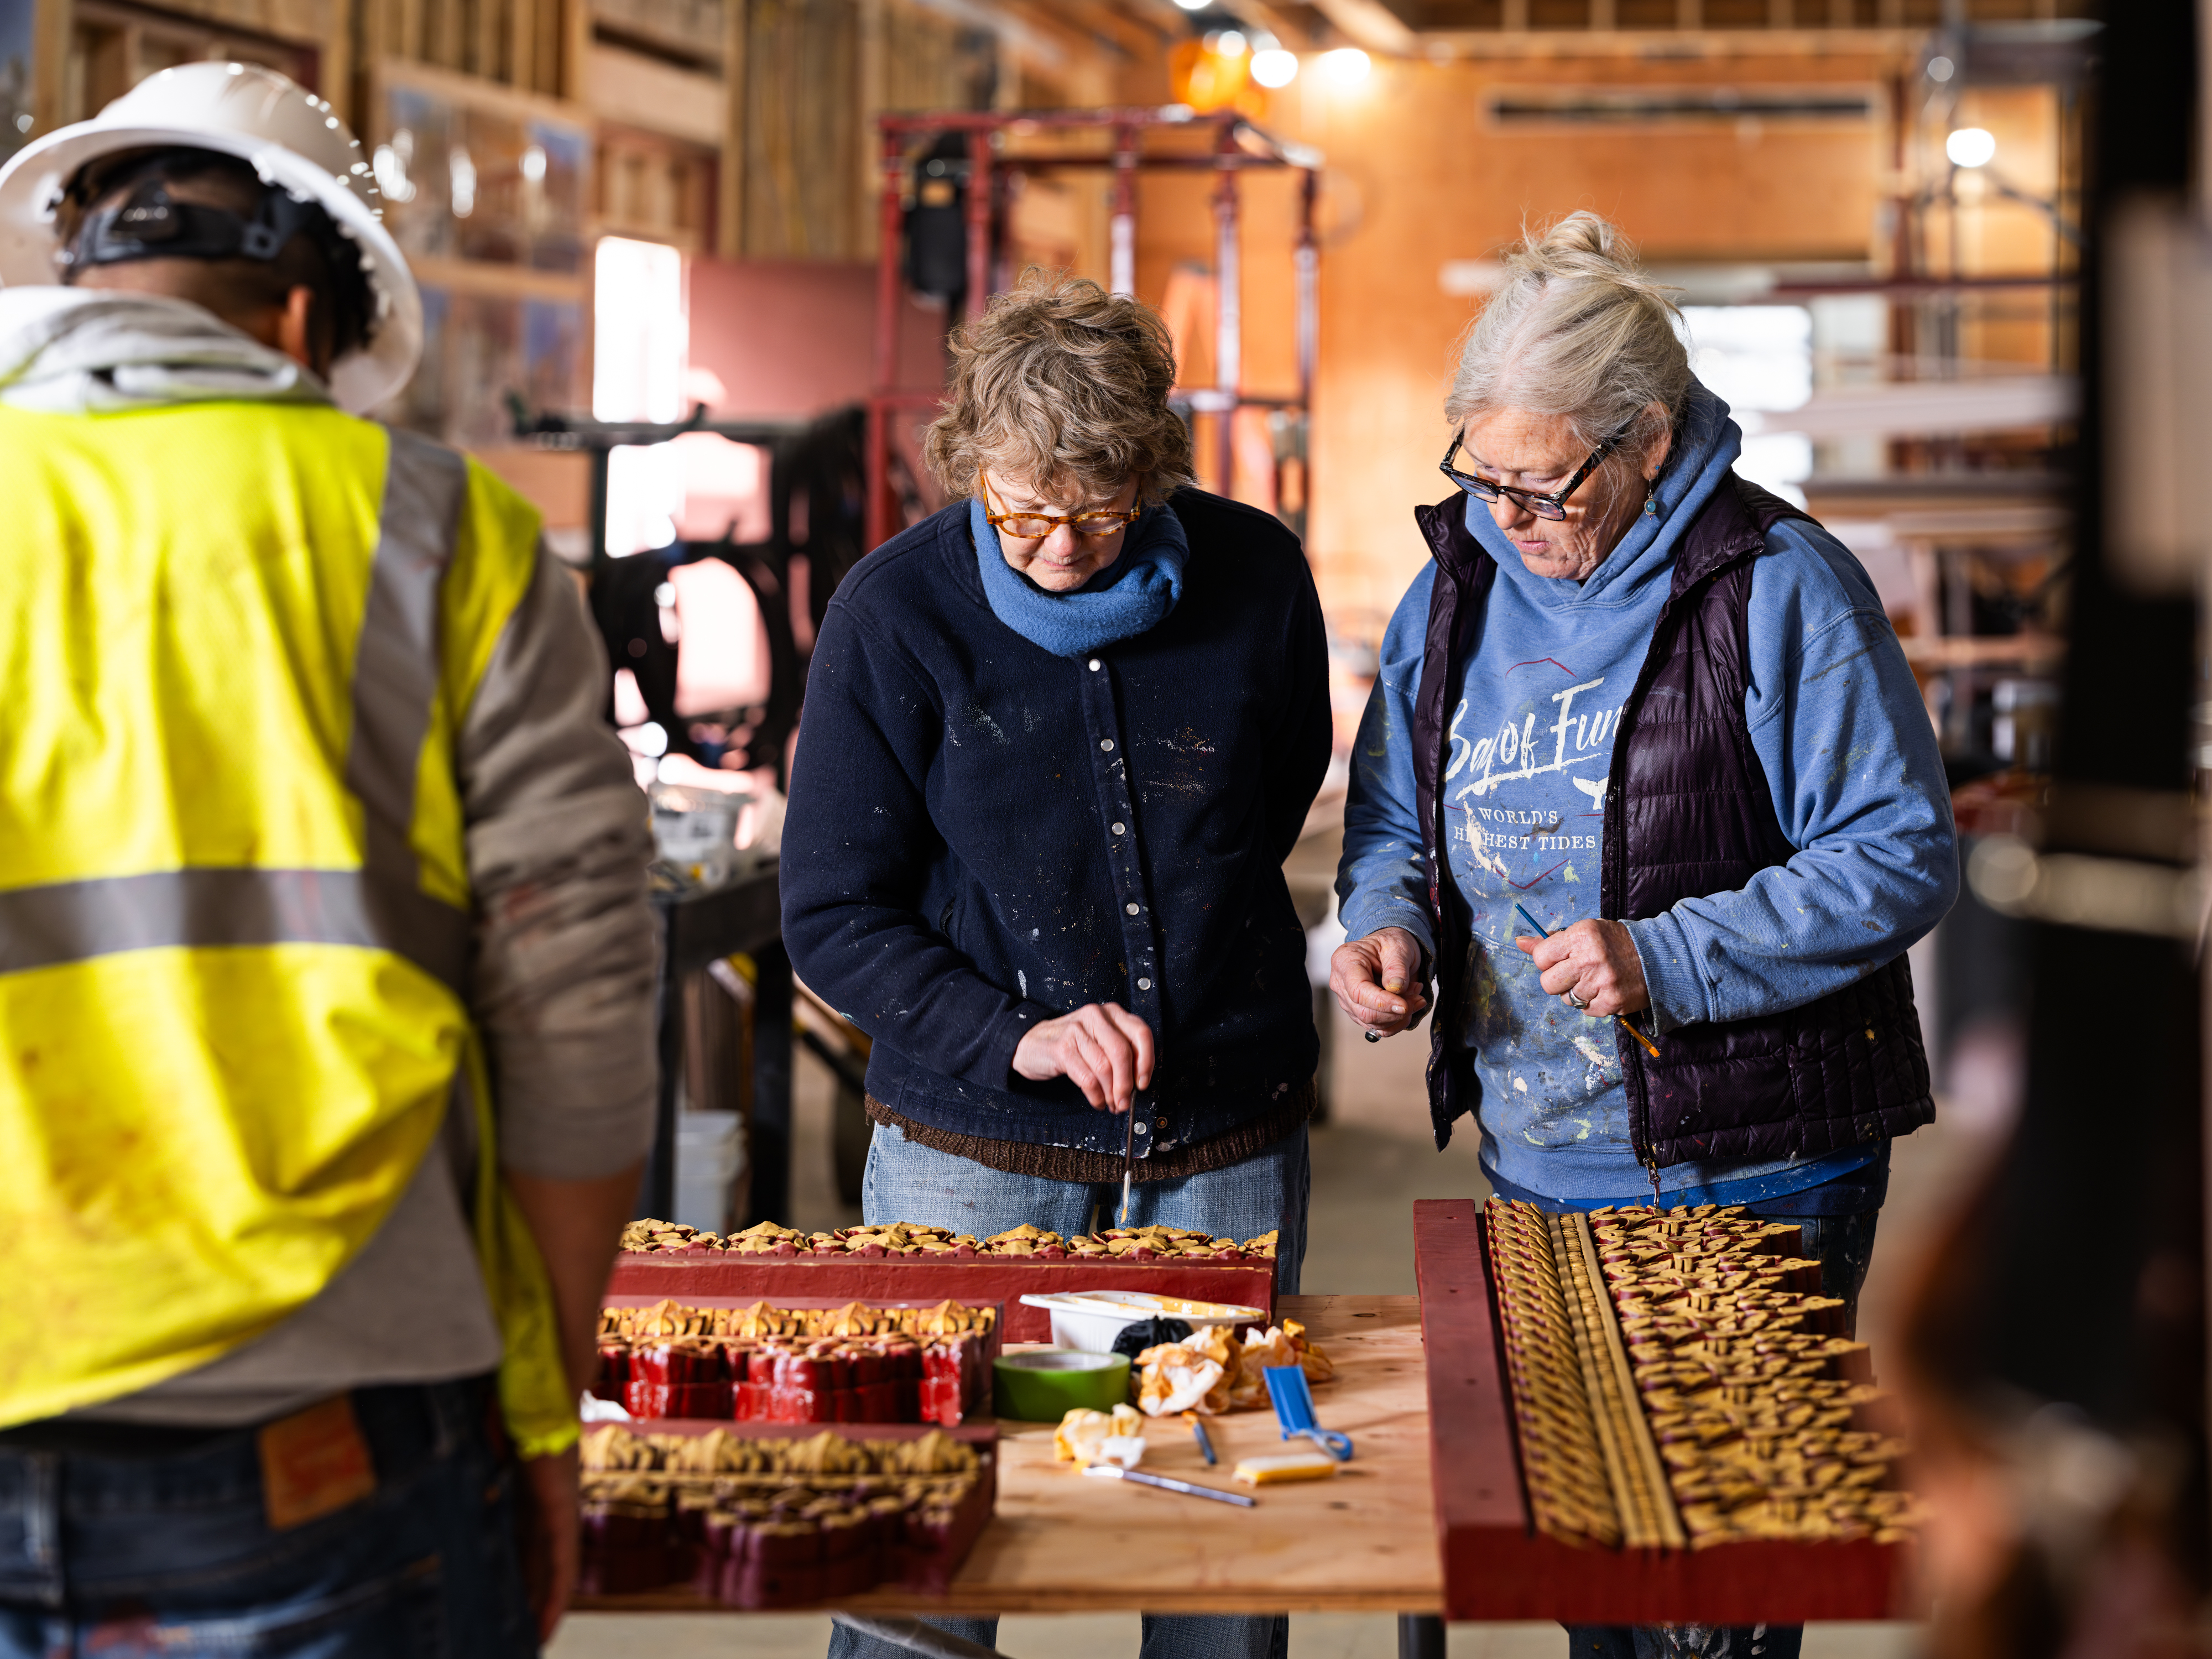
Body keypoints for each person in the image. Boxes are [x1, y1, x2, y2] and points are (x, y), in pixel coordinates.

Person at [0, 65, 656, 1654]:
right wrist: (550, 1416)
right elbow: (580, 1030)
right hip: (331, 1412)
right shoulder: (442, 531)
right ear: (306, 325)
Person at [1332, 213, 1957, 1659]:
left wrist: (1664, 956)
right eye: (1479, 477)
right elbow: (1390, 816)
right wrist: (1386, 921)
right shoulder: (1457, 590)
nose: (1507, 518)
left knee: (1708, 1608)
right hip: (1539, 1163)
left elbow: (1900, 854)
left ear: (1652, 443)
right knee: (1594, 1585)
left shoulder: (1779, 587)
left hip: (1749, 1175)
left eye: (1541, 486)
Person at [782, 270, 1330, 1659]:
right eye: (1020, 513)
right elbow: (832, 913)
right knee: (930, 1541)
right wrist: (1012, 1030)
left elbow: (1269, 803)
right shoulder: (892, 612)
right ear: (971, 466)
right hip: (969, 1158)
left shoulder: (1256, 574)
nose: (1057, 554)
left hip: (1222, 1138)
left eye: (1094, 515)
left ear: (1153, 475)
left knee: (1217, 1528)